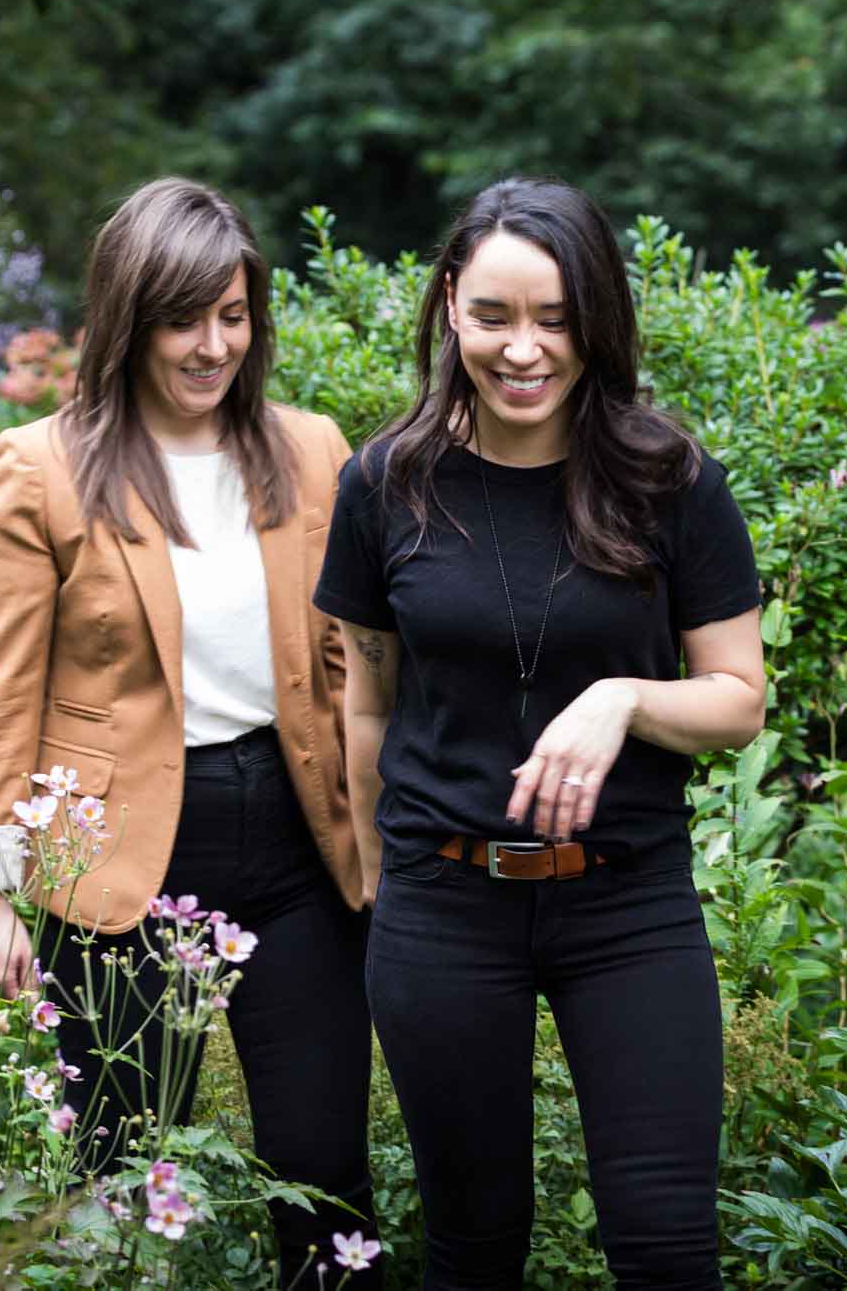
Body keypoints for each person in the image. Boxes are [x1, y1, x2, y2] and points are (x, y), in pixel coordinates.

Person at [313, 177, 764, 1289]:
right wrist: (377, 873)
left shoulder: (669, 479)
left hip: (627, 903)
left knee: (667, 1253)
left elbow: (738, 699)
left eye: (556, 319)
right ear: (449, 307)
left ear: (596, 320)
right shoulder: (384, 484)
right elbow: (367, 699)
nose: (524, 350)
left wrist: (626, 697)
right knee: (472, 1252)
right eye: (494, 316)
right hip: (444, 903)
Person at [0, 177, 379, 1285]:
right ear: (128, 319)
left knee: (327, 1179)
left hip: (298, 844)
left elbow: (355, 667)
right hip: (116, 856)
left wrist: (394, 835)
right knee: (121, 1186)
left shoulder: (311, 450)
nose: (212, 346)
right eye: (185, 319)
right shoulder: (41, 466)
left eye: (234, 316)